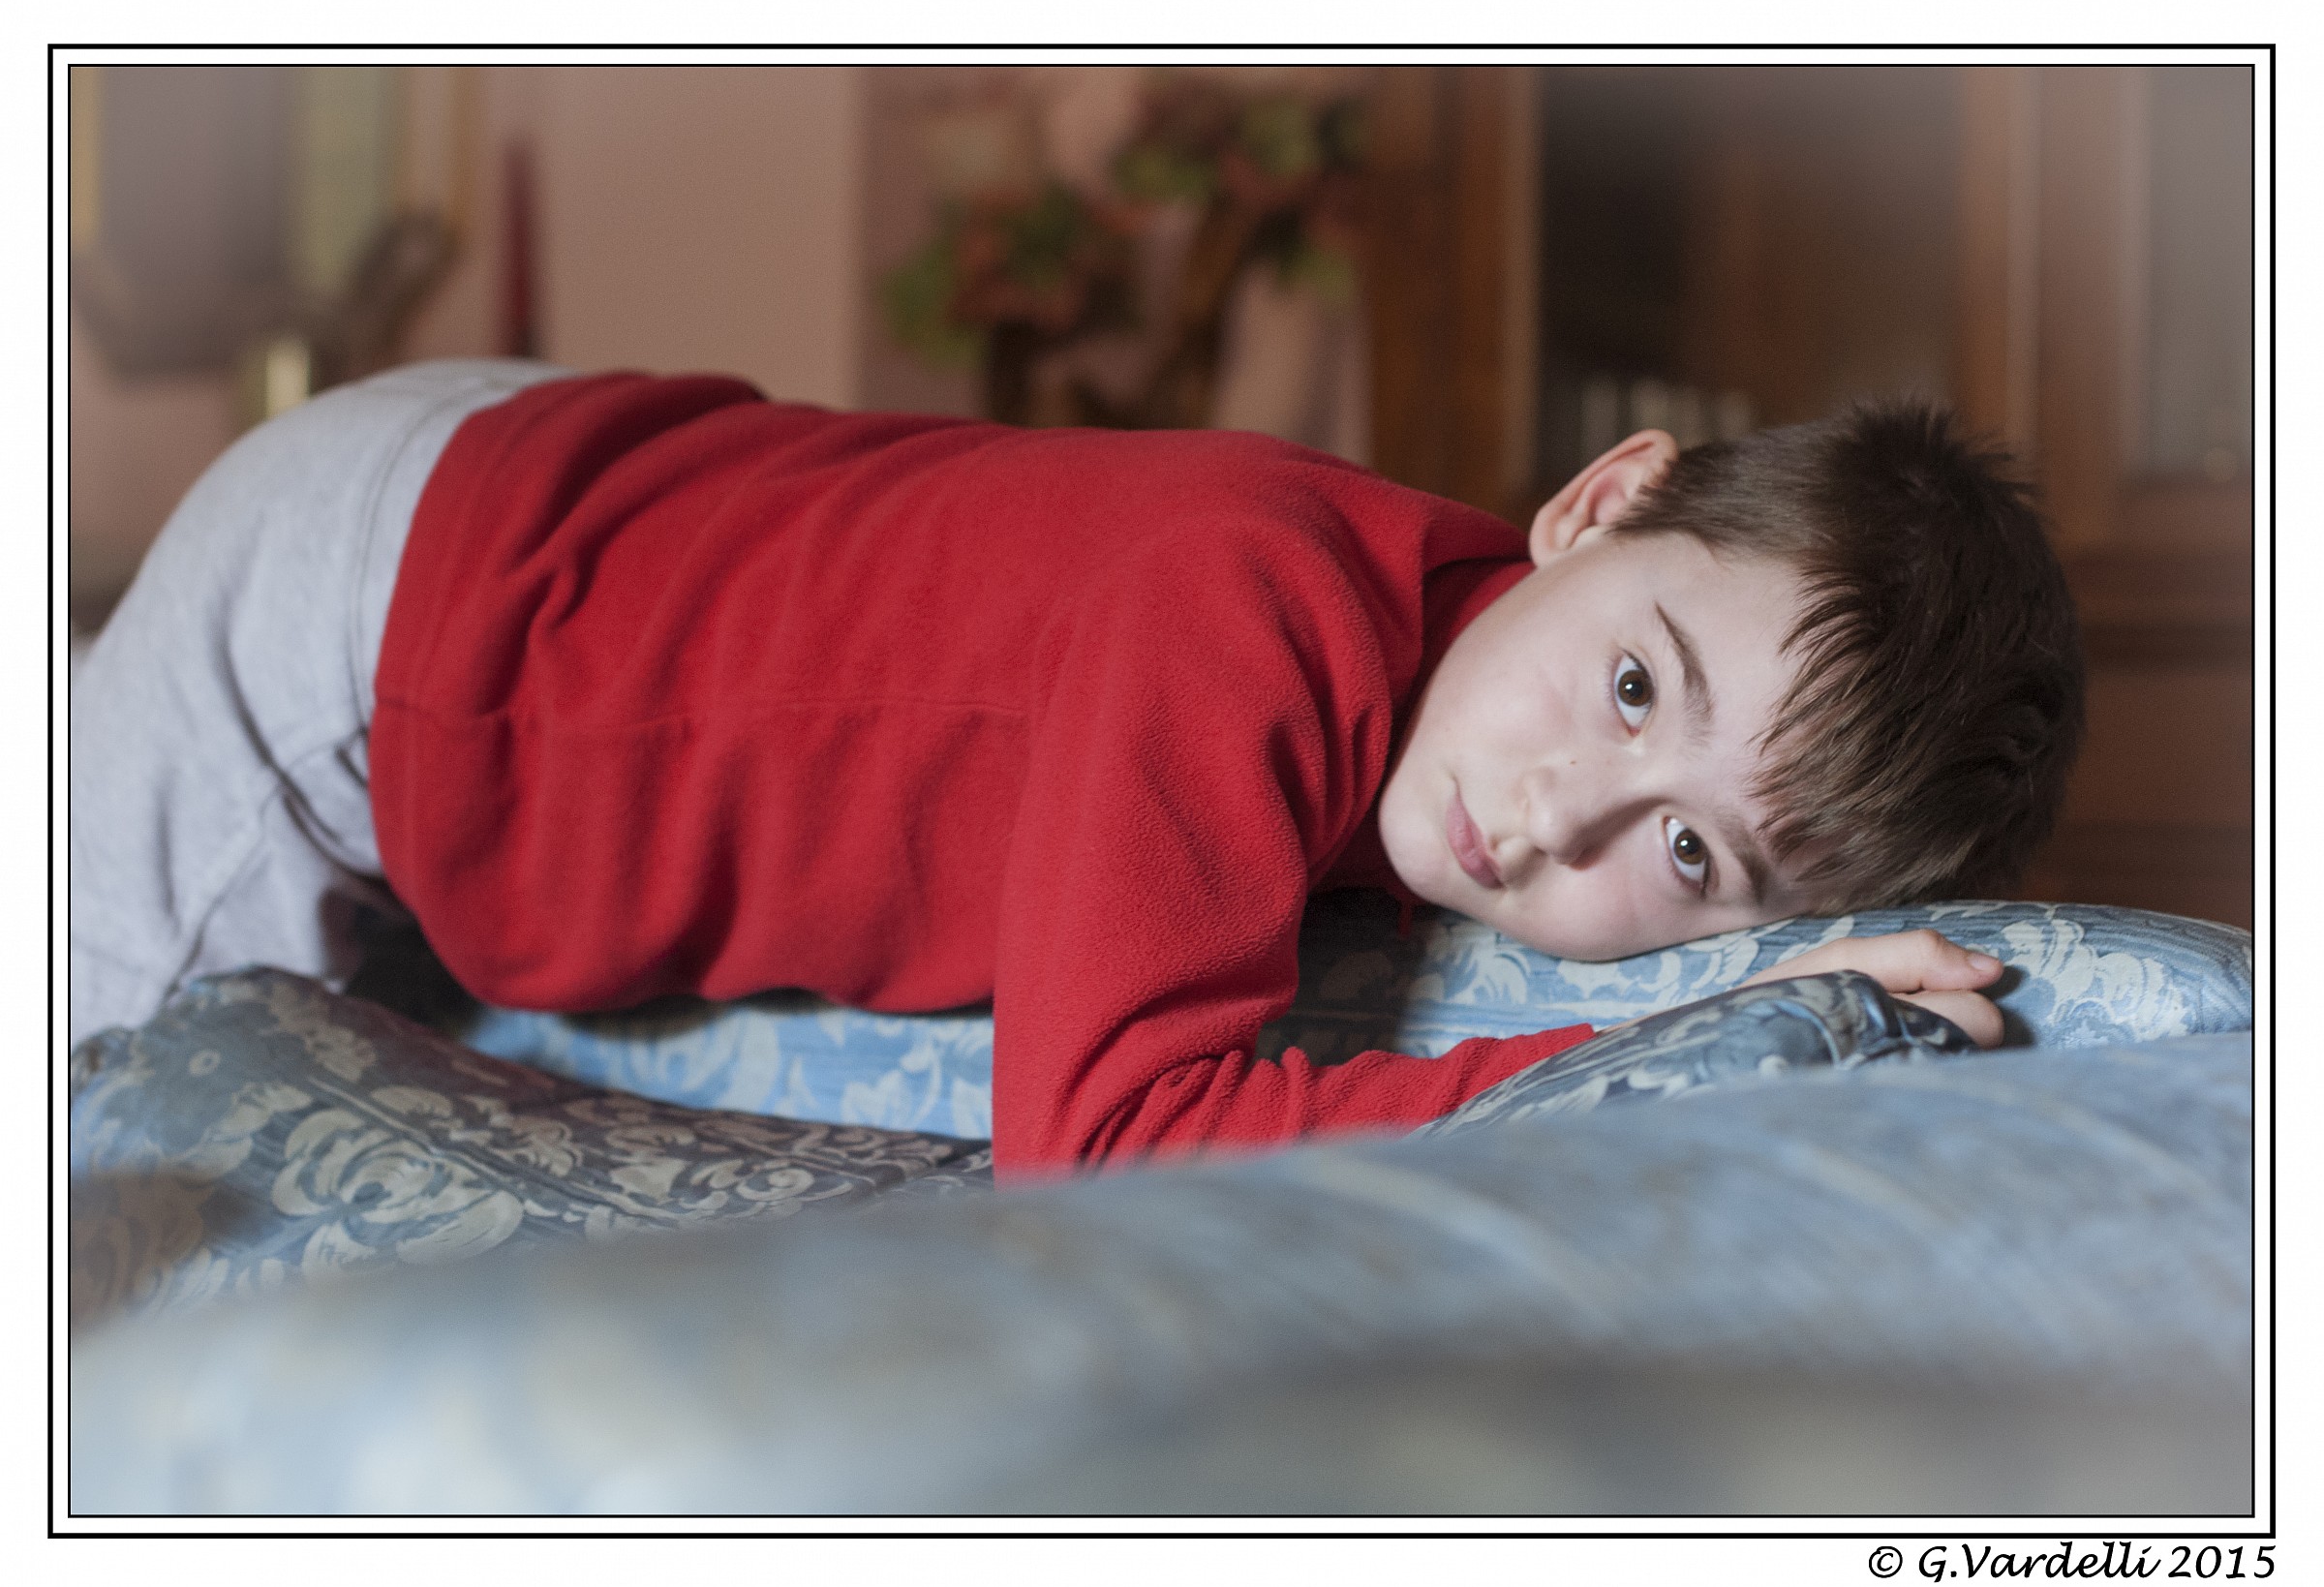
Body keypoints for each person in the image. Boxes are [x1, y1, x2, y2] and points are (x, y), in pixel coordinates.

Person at [69, 360, 2084, 1177]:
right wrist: (1701, 1030)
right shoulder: (1257, 620)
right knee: (70, 1113)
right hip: (405, 616)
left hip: (554, 493)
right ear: (1598, 499)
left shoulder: (1441, 670)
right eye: (1633, 692)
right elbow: (1108, 1143)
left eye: (1696, 865)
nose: (1561, 821)